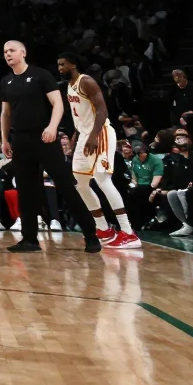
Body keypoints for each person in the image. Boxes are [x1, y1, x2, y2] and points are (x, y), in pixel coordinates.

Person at [0, 41, 100, 253]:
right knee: (25, 190)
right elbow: (5, 113)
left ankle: (91, 234)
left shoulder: (40, 75)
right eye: (5, 52)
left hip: (45, 138)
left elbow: (58, 104)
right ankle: (29, 239)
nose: (8, 54)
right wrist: (4, 139)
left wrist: (52, 127)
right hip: (21, 140)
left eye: (12, 50)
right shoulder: (6, 81)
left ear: (23, 52)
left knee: (65, 185)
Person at [58, 52, 139, 249]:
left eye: (62, 64)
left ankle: (129, 233)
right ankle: (103, 228)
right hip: (84, 134)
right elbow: (81, 115)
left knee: (102, 179)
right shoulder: (69, 85)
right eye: (58, 65)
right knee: (80, 183)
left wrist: (94, 135)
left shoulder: (87, 82)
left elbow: (102, 110)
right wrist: (78, 134)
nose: (59, 68)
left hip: (100, 132)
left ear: (73, 64)